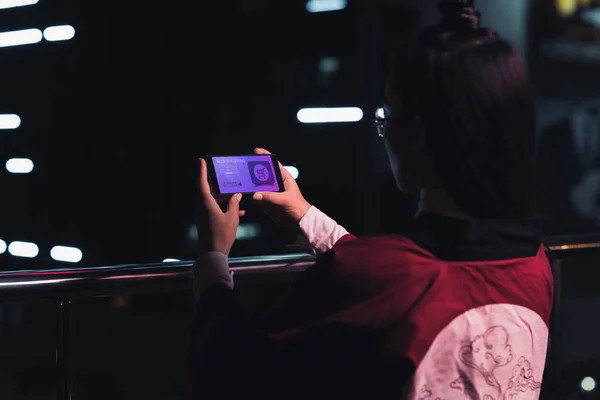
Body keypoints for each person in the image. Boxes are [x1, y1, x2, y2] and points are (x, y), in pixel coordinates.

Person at [189, 1, 554, 399]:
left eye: (387, 115)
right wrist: (305, 217)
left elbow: (235, 372)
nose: (384, 132)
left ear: (417, 134)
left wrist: (213, 262)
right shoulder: (536, 263)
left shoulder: (391, 274)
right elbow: (413, 288)